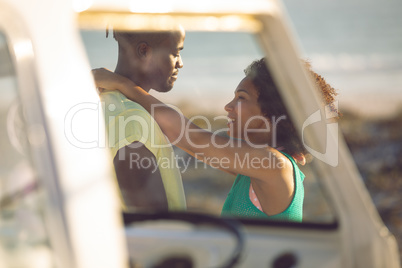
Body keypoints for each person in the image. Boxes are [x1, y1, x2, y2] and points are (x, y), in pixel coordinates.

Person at [93, 58, 339, 221]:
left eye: (241, 99)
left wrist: (121, 83)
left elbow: (189, 136)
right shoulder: (261, 164)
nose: (227, 106)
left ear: (273, 112)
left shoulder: (273, 165)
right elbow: (195, 137)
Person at [96, 26, 187, 212]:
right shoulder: (133, 124)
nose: (181, 63)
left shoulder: (104, 101)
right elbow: (153, 229)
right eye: (175, 53)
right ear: (144, 51)